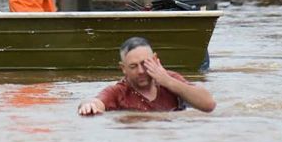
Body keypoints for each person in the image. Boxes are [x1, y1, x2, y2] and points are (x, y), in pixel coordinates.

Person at [78, 37, 216, 115]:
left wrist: (168, 81)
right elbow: (97, 102)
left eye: (145, 64)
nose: (141, 71)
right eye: (133, 66)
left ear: (155, 59)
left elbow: (209, 105)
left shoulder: (170, 80)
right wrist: (88, 105)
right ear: (123, 68)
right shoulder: (119, 92)